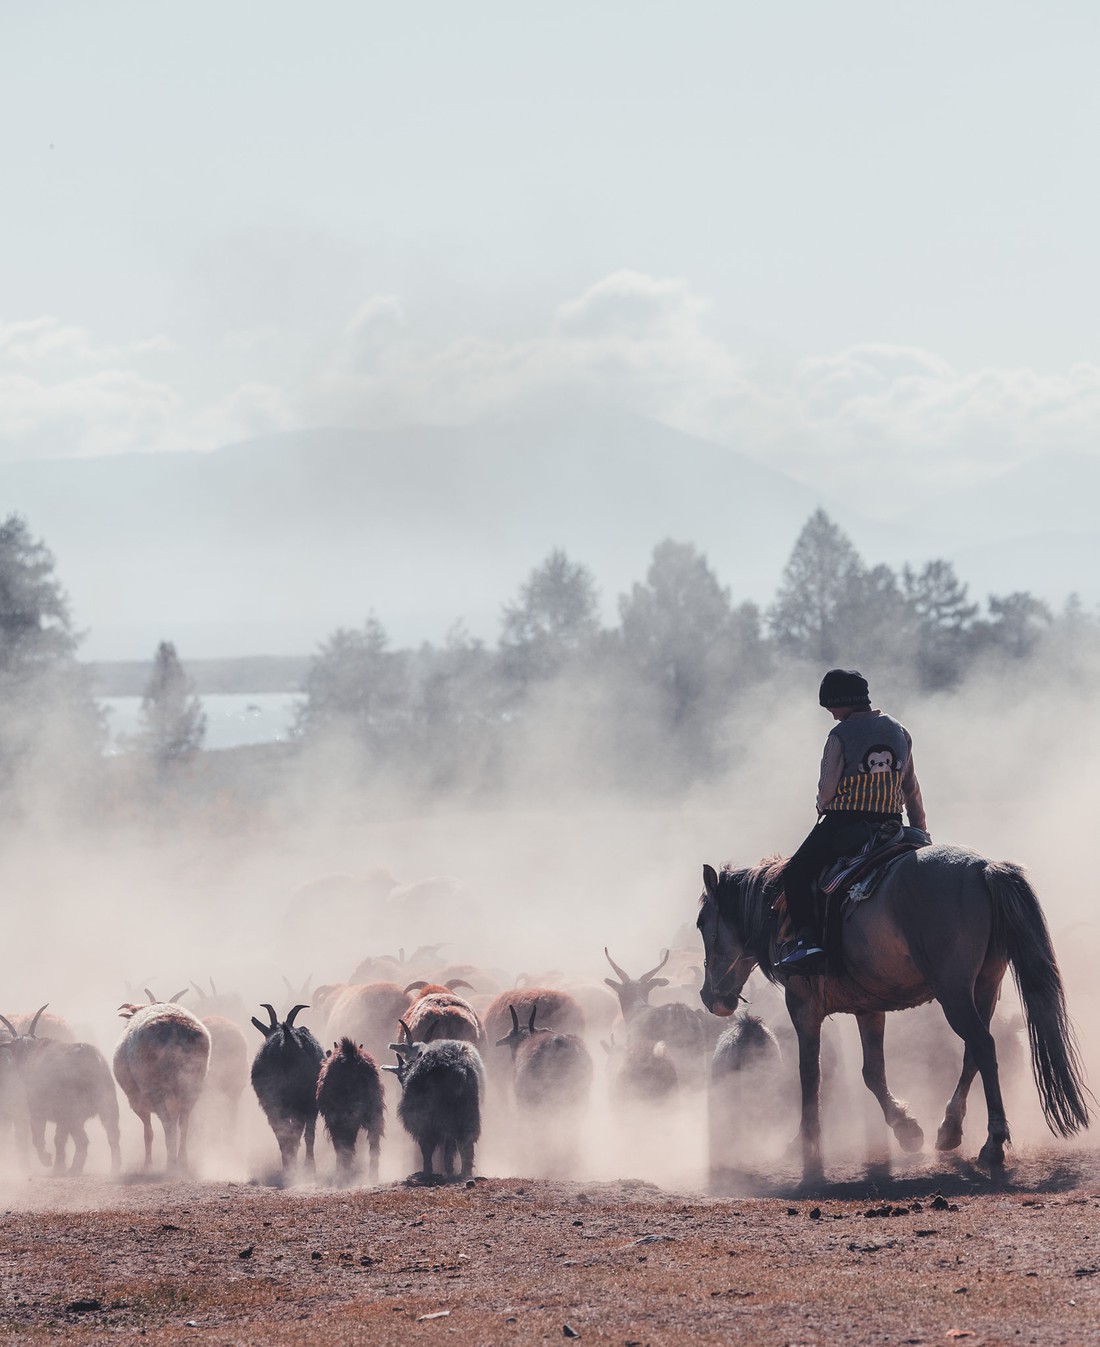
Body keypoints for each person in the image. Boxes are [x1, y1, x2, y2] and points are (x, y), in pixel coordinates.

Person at [777, 669, 928, 974]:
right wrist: (921, 830)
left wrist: (821, 806)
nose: (831, 715)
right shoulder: (899, 730)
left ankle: (808, 941)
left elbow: (828, 789)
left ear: (844, 702)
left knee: (795, 872)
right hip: (892, 824)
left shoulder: (840, 735)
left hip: (844, 823)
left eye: (831, 707)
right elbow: (910, 787)